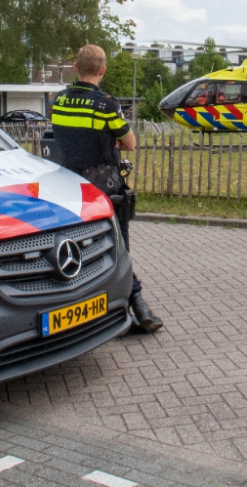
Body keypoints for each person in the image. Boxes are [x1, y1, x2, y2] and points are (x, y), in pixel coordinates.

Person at [51, 44, 163, 333]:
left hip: (69, 190)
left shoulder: (59, 102)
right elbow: (130, 144)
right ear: (102, 70)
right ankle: (135, 305)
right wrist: (109, 141)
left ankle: (106, 309)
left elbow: (68, 140)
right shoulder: (107, 105)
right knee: (118, 246)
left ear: (75, 68)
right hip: (104, 190)